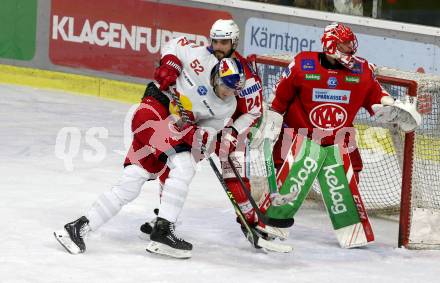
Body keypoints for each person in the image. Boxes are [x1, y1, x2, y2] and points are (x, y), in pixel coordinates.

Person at [54, 54, 246, 259]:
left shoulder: (228, 105)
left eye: (233, 89)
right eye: (226, 85)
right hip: (152, 113)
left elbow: (205, 137)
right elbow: (171, 54)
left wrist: (201, 137)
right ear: (216, 78)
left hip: (167, 129)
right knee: (184, 166)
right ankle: (163, 232)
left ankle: (77, 229)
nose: (228, 92)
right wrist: (169, 66)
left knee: (130, 184)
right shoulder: (197, 67)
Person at [253, 22, 421, 237]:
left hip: (339, 138)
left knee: (349, 179)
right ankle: (271, 217)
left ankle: (349, 226)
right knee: (285, 178)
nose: (350, 49)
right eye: (344, 45)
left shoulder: (362, 70)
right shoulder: (302, 64)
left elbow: (376, 96)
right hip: (299, 135)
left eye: (351, 44)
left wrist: (390, 105)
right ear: (331, 45)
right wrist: (274, 117)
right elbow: (280, 97)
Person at [139, 19, 286, 242]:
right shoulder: (200, 54)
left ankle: (252, 224)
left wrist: (232, 132)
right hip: (201, 127)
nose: (218, 46)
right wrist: (170, 63)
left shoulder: (246, 76)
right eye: (215, 41)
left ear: (234, 42)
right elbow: (174, 44)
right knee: (174, 167)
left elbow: (254, 112)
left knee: (234, 178)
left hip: (230, 132)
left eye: (224, 42)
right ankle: (164, 219)